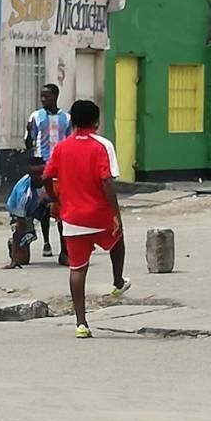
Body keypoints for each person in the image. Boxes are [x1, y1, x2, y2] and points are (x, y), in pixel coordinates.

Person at [44, 100, 131, 339]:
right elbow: (107, 181)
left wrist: (55, 200)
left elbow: (46, 177)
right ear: (97, 121)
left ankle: (81, 323)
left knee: (77, 268)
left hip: (72, 216)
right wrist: (117, 214)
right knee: (118, 240)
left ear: (71, 121)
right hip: (99, 214)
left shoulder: (61, 147)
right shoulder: (103, 145)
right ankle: (118, 280)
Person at [25, 84, 71, 262]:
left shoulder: (66, 118)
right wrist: (29, 132)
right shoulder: (36, 117)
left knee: (59, 205)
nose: (44, 99)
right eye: (41, 96)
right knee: (43, 205)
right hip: (42, 165)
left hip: (61, 166)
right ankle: (46, 241)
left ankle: (64, 249)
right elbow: (29, 143)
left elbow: (70, 139)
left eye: (47, 96)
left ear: (55, 96)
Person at [2, 158, 49, 270]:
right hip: (23, 212)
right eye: (36, 174)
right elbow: (20, 225)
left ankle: (62, 252)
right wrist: (14, 260)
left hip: (39, 205)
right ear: (30, 174)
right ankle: (13, 245)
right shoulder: (24, 194)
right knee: (24, 259)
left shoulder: (49, 180)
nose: (40, 177)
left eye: (42, 172)